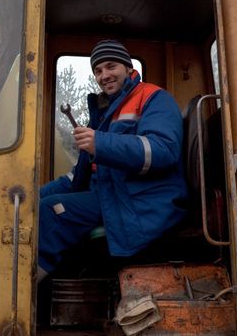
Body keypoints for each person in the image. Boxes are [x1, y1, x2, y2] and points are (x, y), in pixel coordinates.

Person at [37, 39, 188, 282]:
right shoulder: (109, 112)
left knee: (52, 211)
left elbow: (163, 150)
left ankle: (21, 297)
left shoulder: (154, 98)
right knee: (38, 205)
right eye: (98, 70)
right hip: (113, 194)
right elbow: (80, 177)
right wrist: (31, 197)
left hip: (144, 201)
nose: (104, 75)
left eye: (111, 67)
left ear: (128, 68)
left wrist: (101, 143)